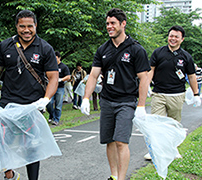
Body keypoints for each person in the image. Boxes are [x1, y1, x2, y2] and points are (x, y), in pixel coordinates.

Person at [0, 10, 58, 180]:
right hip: (7, 103)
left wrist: (45, 99)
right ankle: (10, 174)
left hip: (32, 104)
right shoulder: (5, 46)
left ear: (36, 26)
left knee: (31, 146)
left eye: (30, 26)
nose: (26, 30)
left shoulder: (45, 48)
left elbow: (53, 78)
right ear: (16, 26)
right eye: (22, 26)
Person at [81, 8, 150, 180]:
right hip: (107, 101)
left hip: (127, 102)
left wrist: (141, 105)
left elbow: (144, 78)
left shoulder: (136, 49)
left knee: (121, 141)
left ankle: (121, 177)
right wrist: (85, 98)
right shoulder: (102, 49)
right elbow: (93, 75)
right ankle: (113, 175)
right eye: (107, 24)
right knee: (109, 141)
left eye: (113, 23)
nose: (109, 27)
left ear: (123, 24)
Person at [145, 25, 201, 160]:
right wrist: (146, 86)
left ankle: (172, 149)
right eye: (171, 36)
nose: (173, 39)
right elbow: (151, 70)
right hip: (158, 93)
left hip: (177, 94)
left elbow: (192, 76)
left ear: (182, 39)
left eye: (176, 37)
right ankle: (154, 151)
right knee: (156, 123)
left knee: (173, 124)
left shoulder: (186, 56)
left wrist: (196, 94)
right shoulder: (158, 53)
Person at [47, 51, 70, 125]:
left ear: (59, 58)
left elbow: (68, 76)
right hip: (51, 87)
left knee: (58, 105)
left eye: (56, 58)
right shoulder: (50, 66)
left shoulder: (63, 67)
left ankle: (56, 119)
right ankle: (52, 115)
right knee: (49, 103)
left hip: (60, 87)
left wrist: (61, 79)